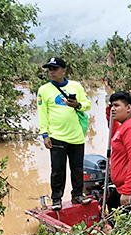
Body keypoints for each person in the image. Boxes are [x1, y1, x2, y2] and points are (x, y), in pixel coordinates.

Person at [38, 56, 92, 211]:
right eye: (50, 69)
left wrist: (78, 104)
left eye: (55, 69)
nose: (52, 72)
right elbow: (43, 114)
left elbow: (87, 104)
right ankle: (56, 198)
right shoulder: (44, 90)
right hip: (56, 137)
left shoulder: (76, 87)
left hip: (76, 136)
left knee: (77, 168)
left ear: (64, 71)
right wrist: (45, 135)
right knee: (57, 169)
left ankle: (78, 195)